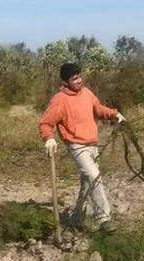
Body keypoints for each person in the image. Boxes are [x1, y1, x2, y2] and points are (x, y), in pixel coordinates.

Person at [38, 63, 126, 234]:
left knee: (87, 183)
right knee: (94, 176)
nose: (78, 80)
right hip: (76, 145)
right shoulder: (60, 100)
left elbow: (98, 109)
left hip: (93, 143)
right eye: (74, 78)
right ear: (66, 81)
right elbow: (46, 122)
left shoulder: (87, 93)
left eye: (79, 76)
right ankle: (104, 219)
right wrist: (49, 138)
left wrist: (114, 114)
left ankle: (76, 218)